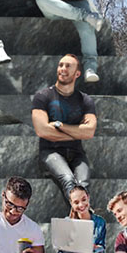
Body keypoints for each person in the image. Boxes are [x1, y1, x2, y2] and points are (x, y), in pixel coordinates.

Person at [32, 53, 97, 199]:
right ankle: (84, 219)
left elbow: (89, 132)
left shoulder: (85, 100)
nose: (62, 69)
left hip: (77, 154)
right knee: (68, 179)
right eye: (60, 65)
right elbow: (42, 129)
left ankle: (80, 220)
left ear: (77, 73)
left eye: (68, 66)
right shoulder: (43, 96)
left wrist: (60, 126)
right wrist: (76, 132)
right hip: (50, 153)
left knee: (83, 184)